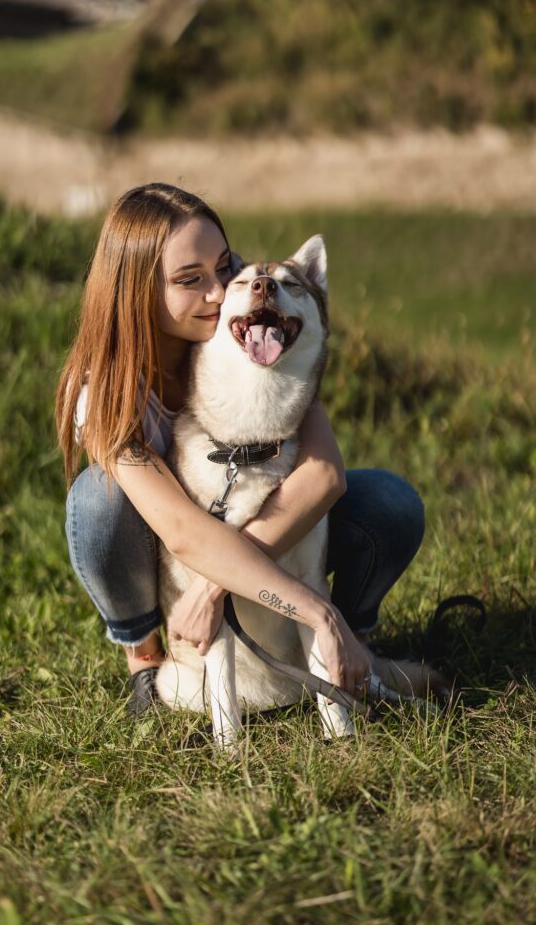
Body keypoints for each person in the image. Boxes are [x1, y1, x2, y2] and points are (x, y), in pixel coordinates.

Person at [56, 183, 425, 715]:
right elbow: (183, 532)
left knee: (389, 504)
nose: (217, 291)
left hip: (248, 545)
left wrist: (222, 590)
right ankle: (145, 657)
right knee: (99, 501)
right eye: (190, 280)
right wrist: (312, 608)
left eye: (223, 266)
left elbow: (323, 478)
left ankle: (345, 649)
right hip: (170, 555)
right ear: (138, 292)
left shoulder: (254, 341)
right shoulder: (103, 396)